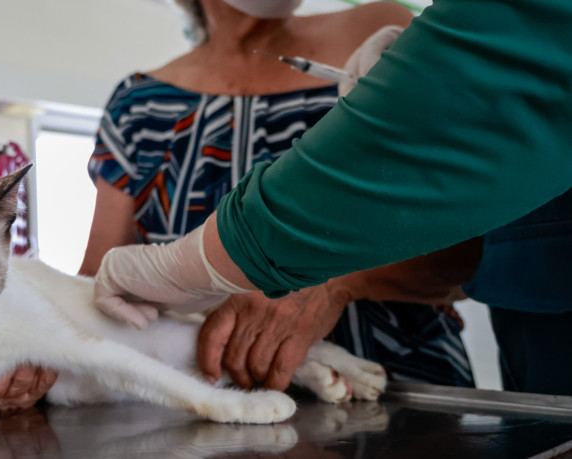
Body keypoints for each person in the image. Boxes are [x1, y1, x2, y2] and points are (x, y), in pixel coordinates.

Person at [93, 0, 572, 396]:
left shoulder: (389, 34)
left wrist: (332, 281)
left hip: (397, 390)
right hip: (200, 395)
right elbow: (100, 285)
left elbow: (474, 232)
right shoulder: (138, 103)